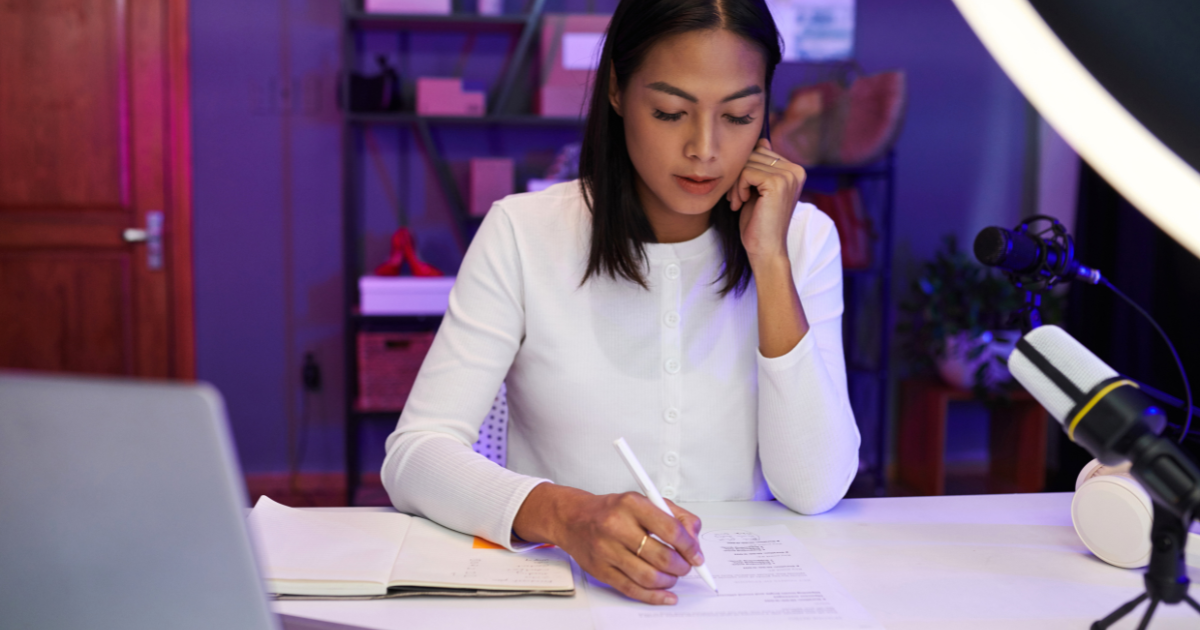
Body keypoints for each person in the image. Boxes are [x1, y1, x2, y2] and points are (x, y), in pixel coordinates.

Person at [381, 0, 860, 606]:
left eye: (739, 116)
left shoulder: (803, 239)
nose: (704, 149)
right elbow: (415, 456)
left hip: (747, 598)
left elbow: (815, 487)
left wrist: (770, 261)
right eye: (669, 111)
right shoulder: (525, 233)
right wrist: (564, 514)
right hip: (566, 594)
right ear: (615, 91)